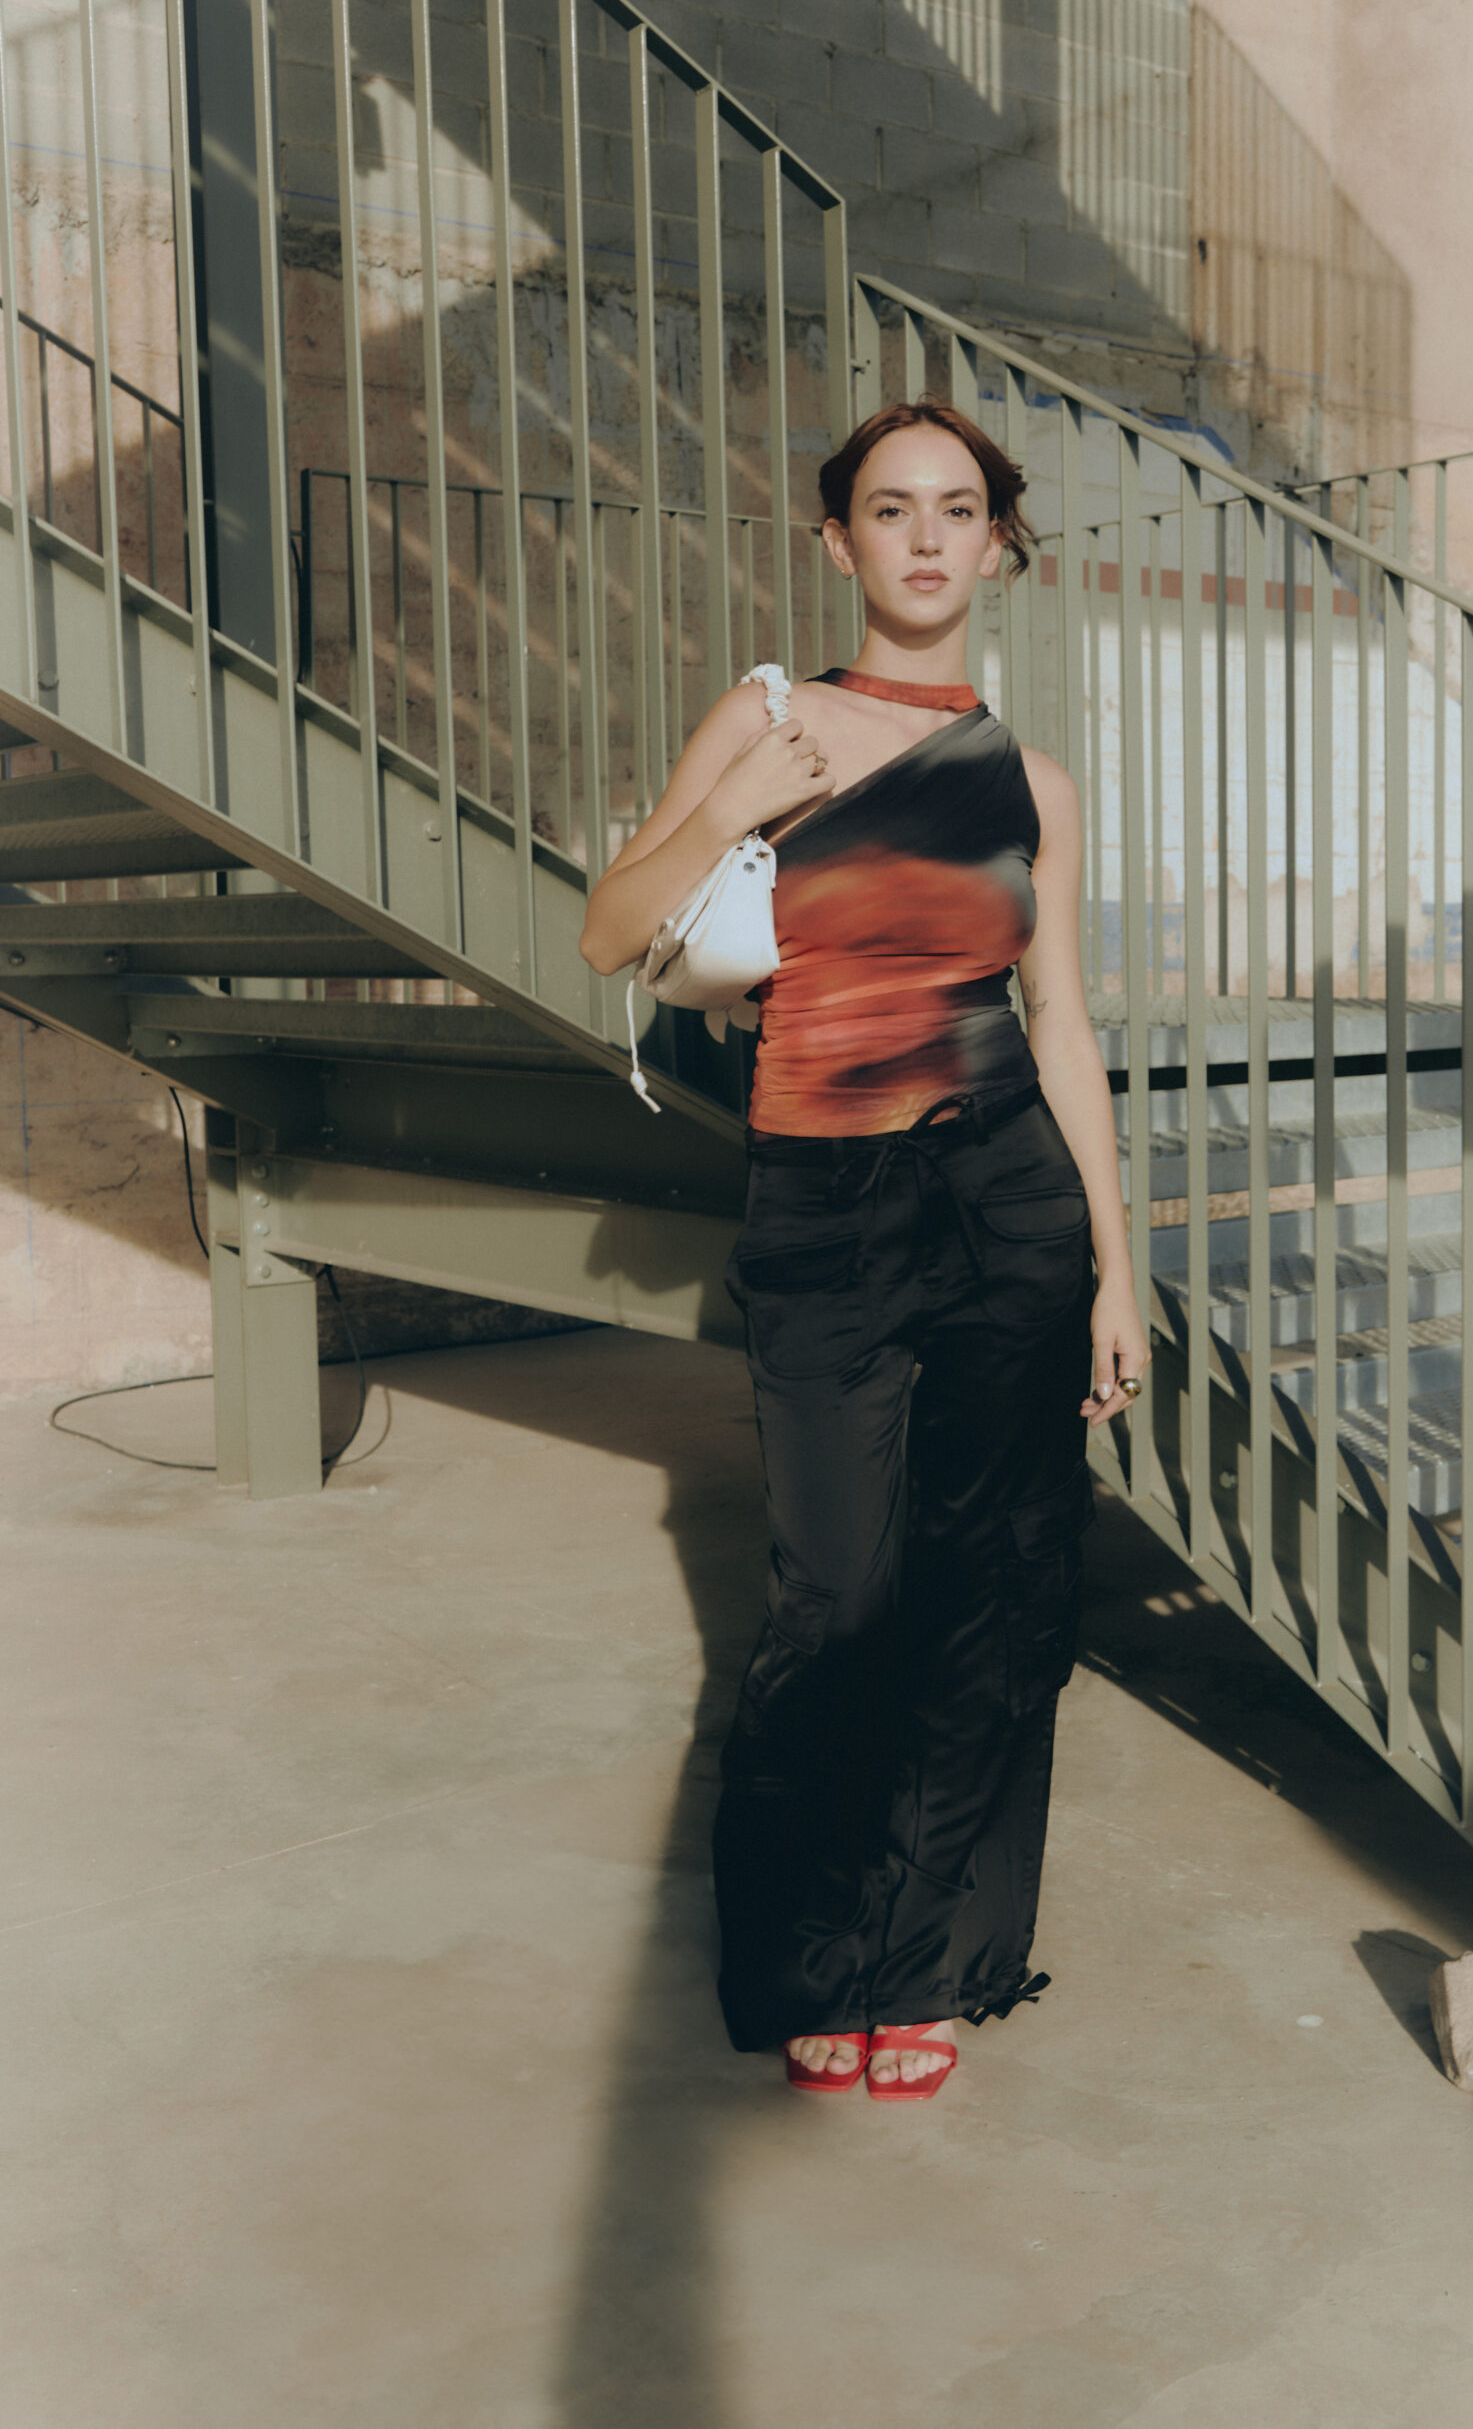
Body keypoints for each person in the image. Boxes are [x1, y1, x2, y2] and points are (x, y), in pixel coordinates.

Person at [580, 397, 1149, 2099]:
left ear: (998, 546)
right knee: (835, 1595)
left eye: (957, 508)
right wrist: (733, 805)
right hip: (823, 1204)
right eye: (890, 508)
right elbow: (610, 929)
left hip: (1009, 1206)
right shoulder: (768, 723)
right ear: (838, 542)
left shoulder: (1034, 784)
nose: (924, 537)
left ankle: (933, 1964)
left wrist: (1118, 1268)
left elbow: (1061, 1026)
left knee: (992, 1595)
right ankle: (816, 1955)